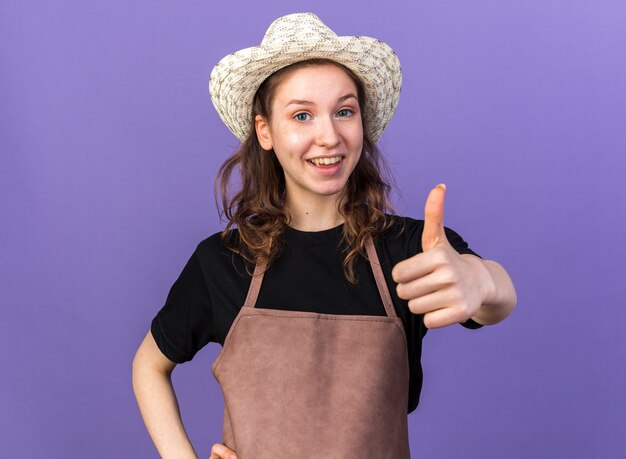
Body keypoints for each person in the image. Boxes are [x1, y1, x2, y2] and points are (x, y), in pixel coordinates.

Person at [132, 12, 516, 459]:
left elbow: (498, 299)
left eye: (344, 111)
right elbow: (149, 366)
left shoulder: (409, 250)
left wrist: (482, 282)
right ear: (266, 131)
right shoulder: (223, 262)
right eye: (301, 115)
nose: (328, 136)